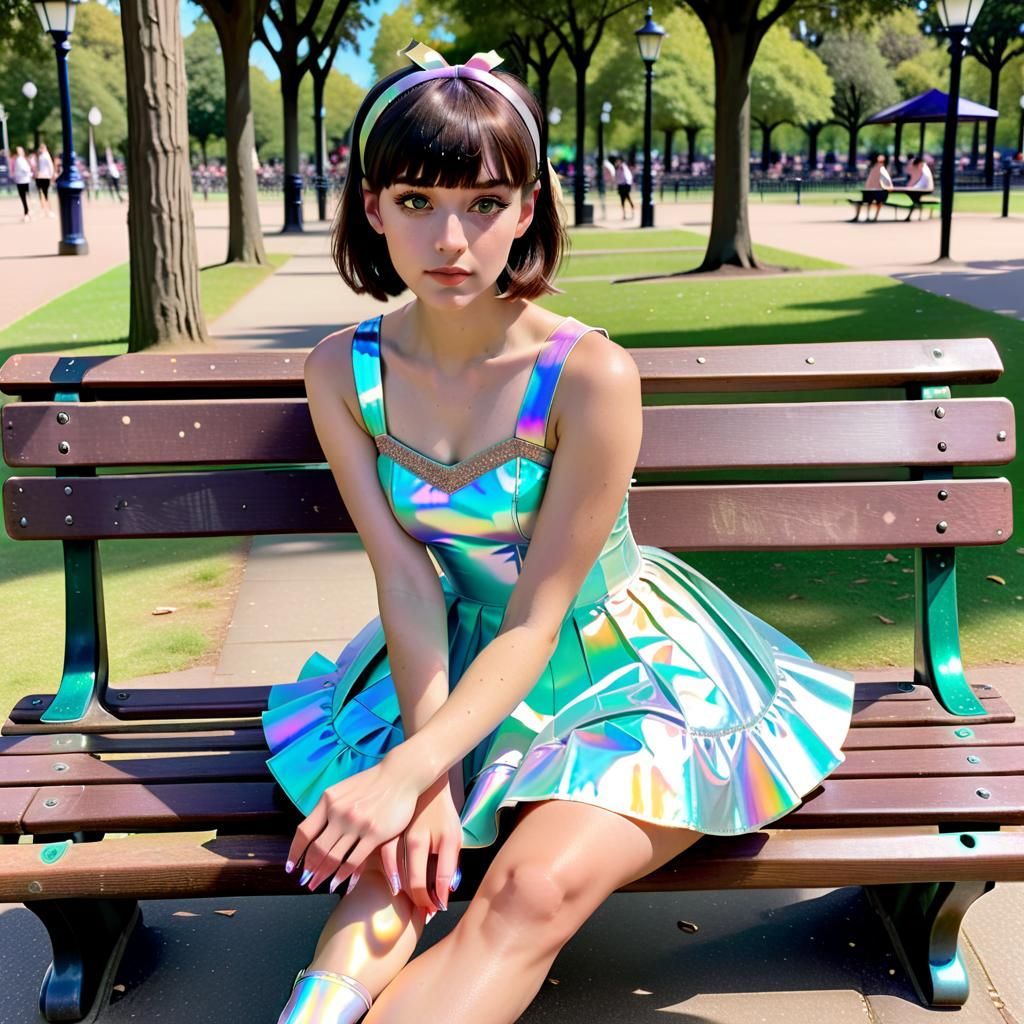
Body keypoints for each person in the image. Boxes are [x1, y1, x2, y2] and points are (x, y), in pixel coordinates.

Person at [261, 39, 855, 1024]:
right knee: (391, 858)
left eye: (484, 204)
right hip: (443, 655)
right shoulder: (340, 371)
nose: (450, 238)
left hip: (624, 665)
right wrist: (430, 770)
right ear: (371, 208)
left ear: (527, 208)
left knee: (529, 889)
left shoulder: (590, 377)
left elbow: (539, 618)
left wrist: (412, 769)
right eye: (415, 202)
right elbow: (404, 577)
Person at [862, 153, 892, 222]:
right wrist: (889, 186)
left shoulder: (874, 168)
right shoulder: (881, 168)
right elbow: (887, 180)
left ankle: (869, 216)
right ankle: (874, 217)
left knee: (871, 202)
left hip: (870, 190)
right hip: (876, 191)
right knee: (878, 201)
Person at [33, 143, 55, 218]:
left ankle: (48, 210)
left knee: (45, 194)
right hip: (41, 176)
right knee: (42, 194)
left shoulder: (45, 156)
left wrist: (51, 175)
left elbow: (50, 166)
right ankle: (45, 210)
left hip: (44, 177)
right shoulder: (41, 156)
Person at [12, 146, 33, 222]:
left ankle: (27, 214)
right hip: (23, 180)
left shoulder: (20, 160)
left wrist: (30, 174)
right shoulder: (21, 159)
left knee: (24, 198)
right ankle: (27, 213)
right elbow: (27, 169)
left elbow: (25, 169)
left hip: (22, 181)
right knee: (25, 198)